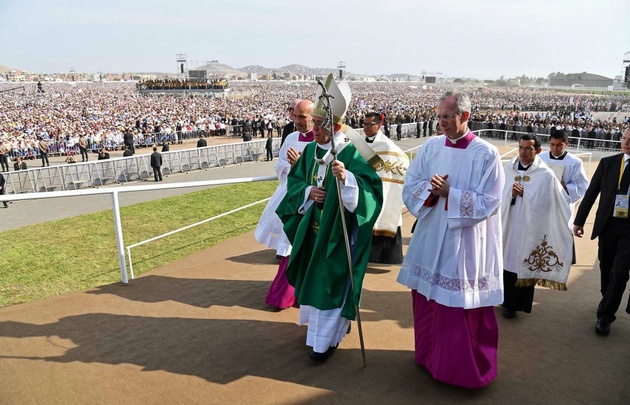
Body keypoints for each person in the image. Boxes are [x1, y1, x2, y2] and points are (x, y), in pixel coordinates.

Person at [396, 91, 504, 389]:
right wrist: (430, 193)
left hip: (464, 241)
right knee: (429, 296)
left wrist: (450, 195)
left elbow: (490, 201)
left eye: (448, 116)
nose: (441, 122)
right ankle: (428, 355)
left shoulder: (486, 154)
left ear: (465, 116)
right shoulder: (430, 147)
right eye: (439, 116)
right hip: (431, 234)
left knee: (455, 303)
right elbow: (412, 182)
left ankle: (459, 368)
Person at [276, 75, 382, 362]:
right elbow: (295, 184)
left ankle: (325, 343)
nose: (314, 130)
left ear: (335, 126)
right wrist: (309, 191)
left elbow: (372, 192)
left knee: (332, 282)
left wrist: (348, 180)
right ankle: (321, 334)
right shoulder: (310, 150)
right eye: (314, 124)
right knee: (315, 282)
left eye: (320, 125)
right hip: (312, 231)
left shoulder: (354, 152)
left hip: (339, 234)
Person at [501, 134, 572, 319]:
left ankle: (516, 305)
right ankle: (504, 300)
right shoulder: (507, 170)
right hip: (509, 223)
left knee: (525, 261)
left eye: (528, 149)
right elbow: (498, 198)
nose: (523, 152)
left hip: (531, 227)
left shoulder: (545, 175)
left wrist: (527, 195)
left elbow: (553, 202)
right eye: (521, 148)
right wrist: (512, 195)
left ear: (538, 151)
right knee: (506, 260)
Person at [255, 100, 315, 309]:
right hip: (291, 195)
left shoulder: (323, 139)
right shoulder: (290, 137)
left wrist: (301, 165)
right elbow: (280, 164)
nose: (297, 121)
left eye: (302, 117)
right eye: (295, 116)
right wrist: (291, 167)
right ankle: (287, 294)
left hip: (313, 199)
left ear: (313, 117)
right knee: (291, 243)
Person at [573, 128, 630, 336]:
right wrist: (579, 222)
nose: (626, 143)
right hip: (607, 226)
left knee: (620, 272)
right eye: (624, 138)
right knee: (606, 269)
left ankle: (605, 316)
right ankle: (609, 299)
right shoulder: (608, 163)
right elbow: (591, 193)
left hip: (629, 231)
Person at [362, 112, 409, 264]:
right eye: (365, 124)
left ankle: (386, 257)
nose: (367, 128)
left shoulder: (387, 146)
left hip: (383, 189)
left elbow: (402, 162)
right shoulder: (359, 144)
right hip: (366, 189)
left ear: (379, 125)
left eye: (370, 124)